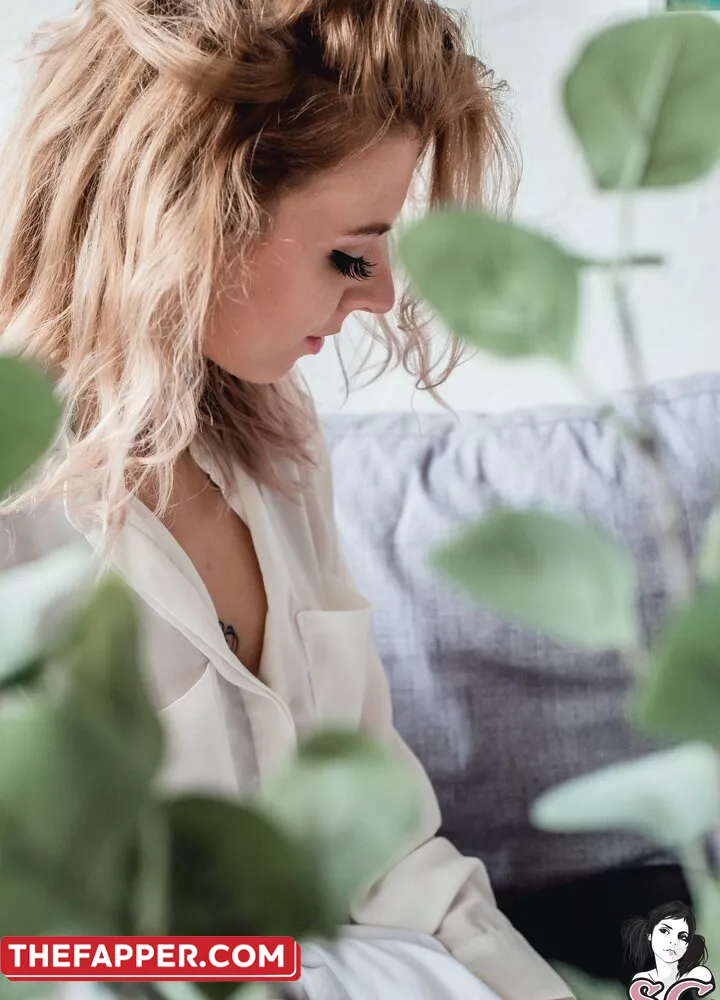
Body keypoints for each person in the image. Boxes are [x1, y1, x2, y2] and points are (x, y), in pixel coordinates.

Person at [0, 1, 574, 998]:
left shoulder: (277, 443)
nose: (383, 296)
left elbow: (394, 856)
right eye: (349, 254)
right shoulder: (20, 510)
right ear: (187, 216)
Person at [623, 901, 714, 999]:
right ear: (649, 934)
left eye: (682, 936)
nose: (673, 941)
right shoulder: (639, 982)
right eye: (664, 931)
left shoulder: (699, 975)